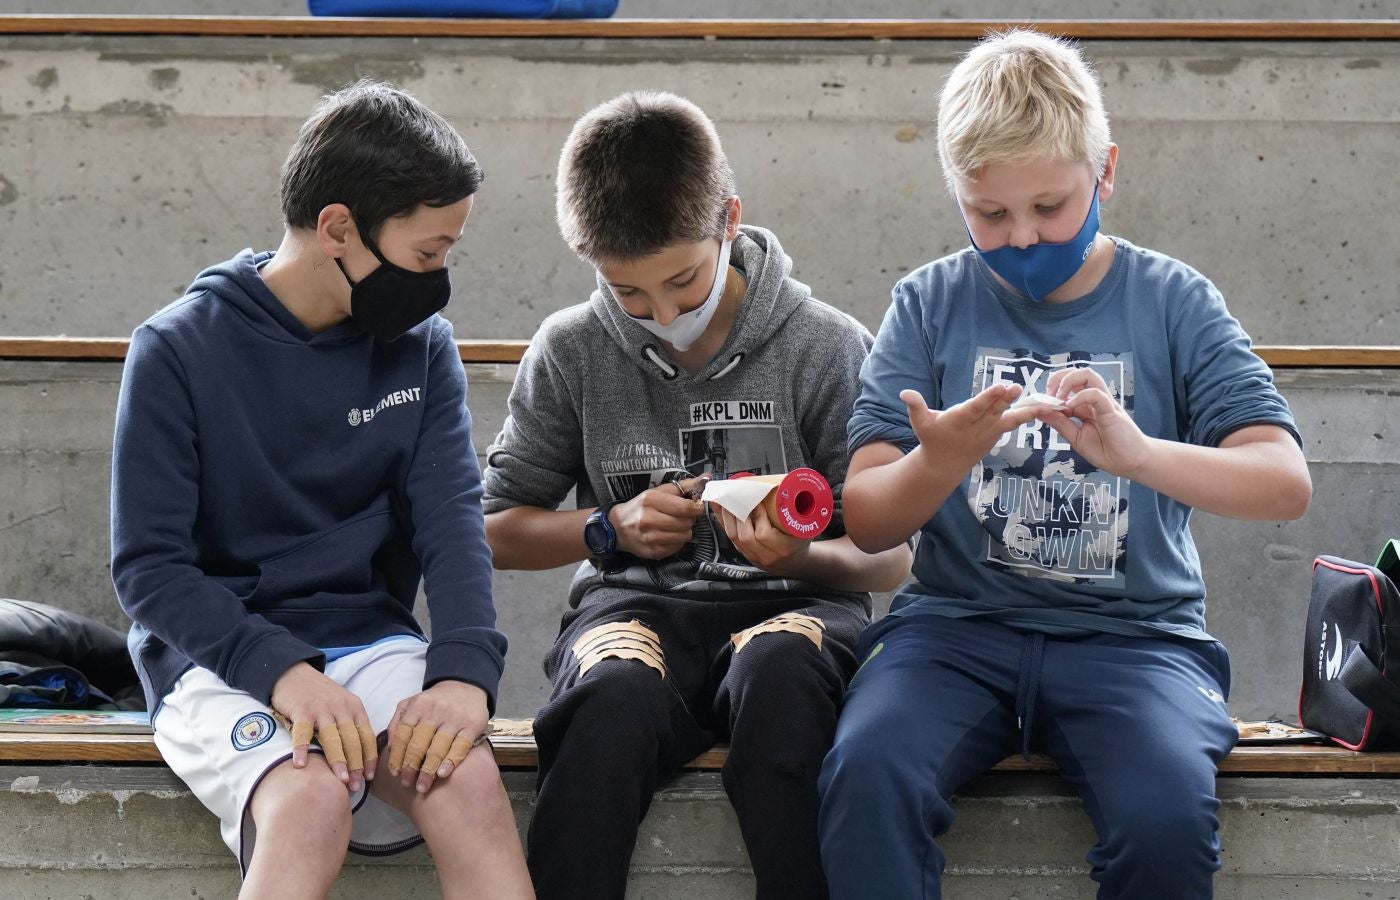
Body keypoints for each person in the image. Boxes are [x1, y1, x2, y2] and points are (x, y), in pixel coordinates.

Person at [816, 30, 1313, 899]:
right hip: (954, 633)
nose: (1022, 238)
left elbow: (1283, 481)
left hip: (1138, 641)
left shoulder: (1174, 301)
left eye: (1049, 206)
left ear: (1105, 172)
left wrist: (1139, 454)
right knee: (865, 775)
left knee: (1166, 821)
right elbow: (868, 515)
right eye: (989, 214)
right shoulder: (928, 304)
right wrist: (939, 464)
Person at [482, 90, 912, 899]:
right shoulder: (572, 349)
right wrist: (604, 530)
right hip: (634, 612)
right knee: (604, 707)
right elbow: (497, 528)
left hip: (800, 611)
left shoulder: (828, 347)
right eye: (628, 293)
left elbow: (890, 560)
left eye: (682, 280)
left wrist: (804, 555)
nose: (662, 313)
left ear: (730, 221)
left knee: (783, 681)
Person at [110, 80, 532, 900]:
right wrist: (281, 671)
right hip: (219, 657)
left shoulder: (422, 347)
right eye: (426, 253)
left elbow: (451, 523)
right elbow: (148, 570)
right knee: (306, 803)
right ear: (338, 228)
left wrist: (463, 674)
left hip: (367, 639)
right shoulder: (173, 350)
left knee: (468, 780)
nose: (438, 278)